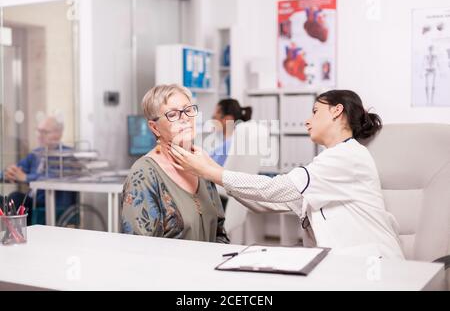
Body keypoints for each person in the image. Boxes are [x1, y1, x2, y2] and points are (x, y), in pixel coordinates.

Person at [169, 90, 405, 259]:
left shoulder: (347, 157)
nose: (306, 120)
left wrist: (212, 172)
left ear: (337, 111)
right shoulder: (330, 162)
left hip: (370, 265)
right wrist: (212, 171)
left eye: (315, 111)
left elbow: (276, 189)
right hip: (343, 264)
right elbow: (268, 204)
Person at [121, 84, 229, 243]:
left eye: (188, 110)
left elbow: (219, 234)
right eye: (173, 114)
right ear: (154, 127)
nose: (185, 118)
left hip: (209, 266)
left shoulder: (200, 164)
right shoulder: (144, 174)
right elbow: (140, 250)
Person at [0, 116, 77, 225]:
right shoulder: (35, 154)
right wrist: (8, 173)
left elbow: (56, 178)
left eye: (45, 132)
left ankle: (14, 235)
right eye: (38, 131)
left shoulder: (67, 155)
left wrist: (26, 178)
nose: (39, 135)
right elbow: (17, 169)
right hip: (32, 202)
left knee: (16, 197)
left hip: (52, 205)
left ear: (58, 134)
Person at [210, 99, 253, 166]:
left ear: (227, 119)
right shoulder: (237, 141)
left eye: (215, 117)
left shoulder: (228, 146)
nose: (213, 120)